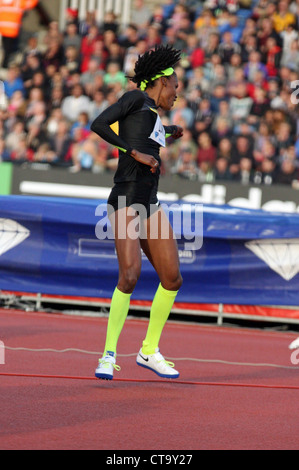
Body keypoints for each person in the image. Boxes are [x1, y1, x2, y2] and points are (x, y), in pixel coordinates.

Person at [91, 45, 184, 380]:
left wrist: (170, 132)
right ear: (160, 82)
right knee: (129, 275)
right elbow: (98, 124)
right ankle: (108, 354)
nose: (177, 92)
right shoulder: (134, 98)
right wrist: (133, 153)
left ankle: (148, 350)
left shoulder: (154, 114)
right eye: (175, 86)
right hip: (126, 199)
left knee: (172, 277)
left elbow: (148, 138)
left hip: (150, 202)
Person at [0, 0, 39, 69]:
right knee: (9, 51)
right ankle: (5, 66)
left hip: (4, 31)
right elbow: (31, 3)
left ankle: (5, 65)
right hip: (12, 31)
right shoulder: (18, 1)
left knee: (7, 50)